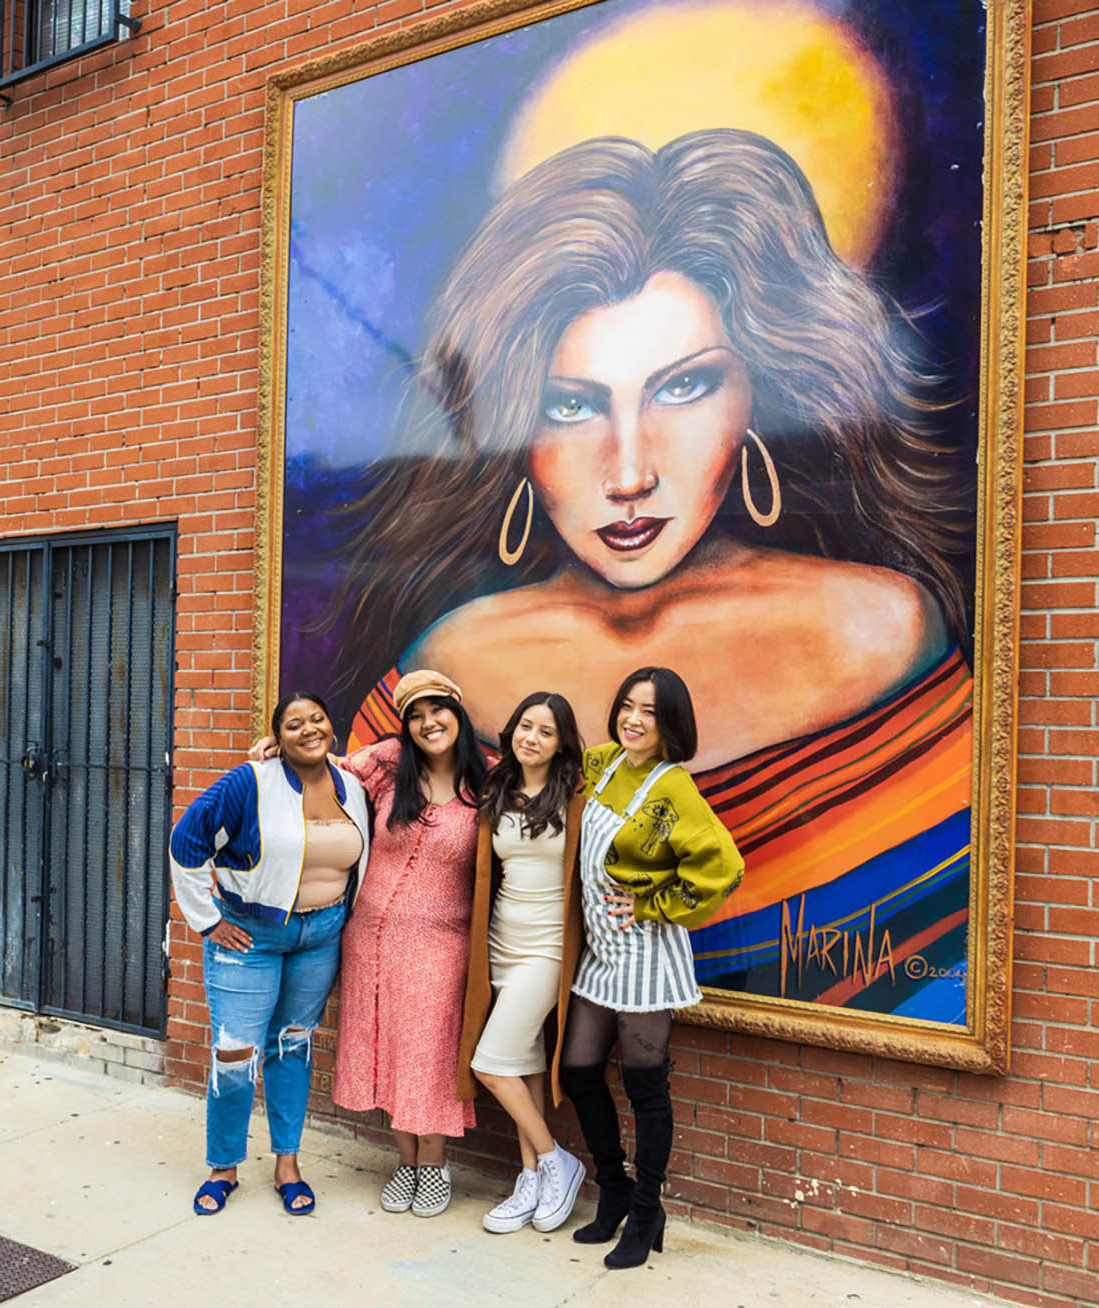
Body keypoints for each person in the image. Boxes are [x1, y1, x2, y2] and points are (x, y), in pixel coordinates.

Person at [326, 129, 975, 1017]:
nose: (628, 473)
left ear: (761, 395)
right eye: (571, 406)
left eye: (683, 388)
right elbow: (353, 833)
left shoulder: (883, 628)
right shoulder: (452, 660)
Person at [560, 667, 743, 1270]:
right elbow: (533, 759)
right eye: (627, 707)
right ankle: (611, 1189)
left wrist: (651, 903)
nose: (633, 720)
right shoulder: (604, 763)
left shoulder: (675, 790)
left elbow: (722, 868)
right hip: (599, 954)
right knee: (580, 1070)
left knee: (645, 1086)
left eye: (650, 712)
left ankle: (645, 1212)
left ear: (672, 725)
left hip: (644, 956)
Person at [169, 691, 371, 1218]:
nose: (309, 730)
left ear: (333, 725)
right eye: (294, 724)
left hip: (321, 936)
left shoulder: (352, 783)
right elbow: (187, 840)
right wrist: (207, 920)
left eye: (318, 719)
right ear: (277, 737)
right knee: (235, 1054)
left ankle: (288, 1164)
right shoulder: (251, 781)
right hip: (251, 936)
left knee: (293, 1047)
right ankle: (224, 1168)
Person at [329, 670, 486, 1217]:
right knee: (380, 1048)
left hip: (441, 944)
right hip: (369, 937)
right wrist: (277, 746)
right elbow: (327, 765)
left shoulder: (484, 783)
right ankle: (405, 1162)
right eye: (416, 716)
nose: (428, 723)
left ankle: (434, 1164)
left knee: (429, 1054)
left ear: (458, 715)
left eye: (438, 710)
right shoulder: (392, 769)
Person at [455, 691, 588, 1235]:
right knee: (523, 1063)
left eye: (546, 731)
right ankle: (529, 1176)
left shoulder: (577, 794)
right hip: (501, 944)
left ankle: (558, 1160)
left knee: (489, 1064)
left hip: (547, 950)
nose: (531, 738)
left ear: (562, 744)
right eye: (525, 726)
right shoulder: (497, 788)